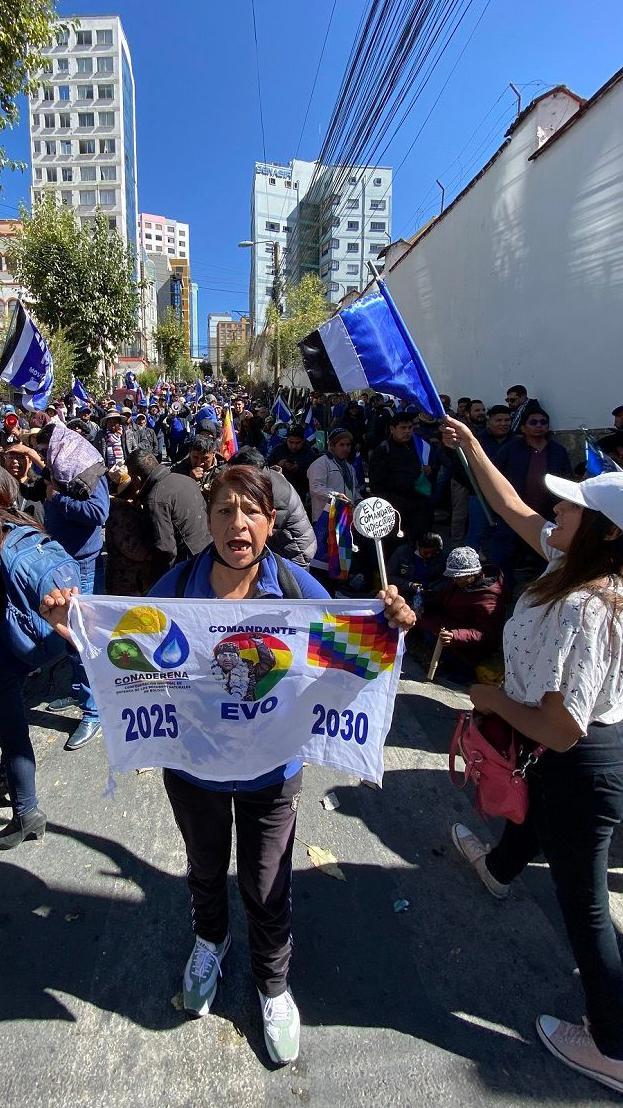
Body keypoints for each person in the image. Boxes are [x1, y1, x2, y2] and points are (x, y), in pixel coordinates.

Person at [40, 464, 417, 1063]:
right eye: (224, 511)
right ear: (209, 521)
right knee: (205, 868)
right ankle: (209, 942)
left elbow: (350, 657)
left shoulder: (297, 593)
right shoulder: (179, 587)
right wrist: (71, 628)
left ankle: (273, 984)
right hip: (194, 772)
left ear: (269, 522)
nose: (236, 523)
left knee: (268, 886)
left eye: (250, 511)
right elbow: (125, 653)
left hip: (273, 773)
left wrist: (388, 626)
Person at [443, 414, 623, 1093]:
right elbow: (513, 506)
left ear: (603, 530)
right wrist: (473, 448)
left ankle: (611, 1045)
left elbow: (558, 729)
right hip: (570, 763)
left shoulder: (587, 605)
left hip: (581, 762)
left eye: (573, 505)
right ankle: (495, 868)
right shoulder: (567, 558)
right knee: (531, 811)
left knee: (583, 907)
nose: (556, 506)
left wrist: (490, 704)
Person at [33, 423, 108, 751]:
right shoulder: (59, 468)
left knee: (80, 635)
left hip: (82, 564)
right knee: (64, 632)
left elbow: (98, 512)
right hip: (60, 561)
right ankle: (80, 691)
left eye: (44, 448)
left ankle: (94, 710)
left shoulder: (88, 471)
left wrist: (57, 498)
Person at [0, 470, 65, 848]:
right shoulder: (24, 521)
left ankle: (27, 812)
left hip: (7, 650)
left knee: (12, 731)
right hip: (29, 642)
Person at [413, 546, 505, 681]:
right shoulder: (459, 583)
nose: (454, 580)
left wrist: (455, 636)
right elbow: (442, 600)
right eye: (453, 577)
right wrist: (423, 602)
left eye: (459, 578)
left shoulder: (489, 599)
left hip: (468, 644)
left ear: (472, 574)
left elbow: (485, 633)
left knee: (458, 668)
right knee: (418, 620)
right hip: (449, 623)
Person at [125, 449, 210, 587]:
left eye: (131, 478)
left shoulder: (155, 499)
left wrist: (158, 583)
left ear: (137, 478)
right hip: (206, 555)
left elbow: (165, 550)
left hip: (188, 568)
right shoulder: (186, 480)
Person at [228, 446, 317, 567]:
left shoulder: (273, 489)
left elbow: (268, 528)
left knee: (290, 584)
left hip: (295, 549)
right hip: (285, 545)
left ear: (250, 471)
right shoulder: (265, 479)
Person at [369, 412, 433, 543]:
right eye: (403, 428)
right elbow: (376, 483)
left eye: (410, 428)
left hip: (418, 505)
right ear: (392, 429)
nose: (407, 431)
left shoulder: (417, 447)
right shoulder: (383, 450)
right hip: (395, 507)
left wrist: (429, 470)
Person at [307, 427, 363, 524]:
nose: (346, 448)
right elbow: (315, 488)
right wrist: (335, 495)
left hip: (345, 520)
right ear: (332, 446)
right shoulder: (321, 463)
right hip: (324, 519)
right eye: (341, 445)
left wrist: (359, 500)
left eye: (348, 445)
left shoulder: (350, 468)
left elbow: (354, 490)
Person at [266, 425, 316, 500]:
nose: (294, 446)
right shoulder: (278, 450)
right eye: (291, 442)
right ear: (286, 440)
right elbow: (266, 467)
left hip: (301, 493)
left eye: (297, 443)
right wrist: (278, 465)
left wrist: (298, 469)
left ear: (303, 441)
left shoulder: (309, 453)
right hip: (279, 492)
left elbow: (314, 476)